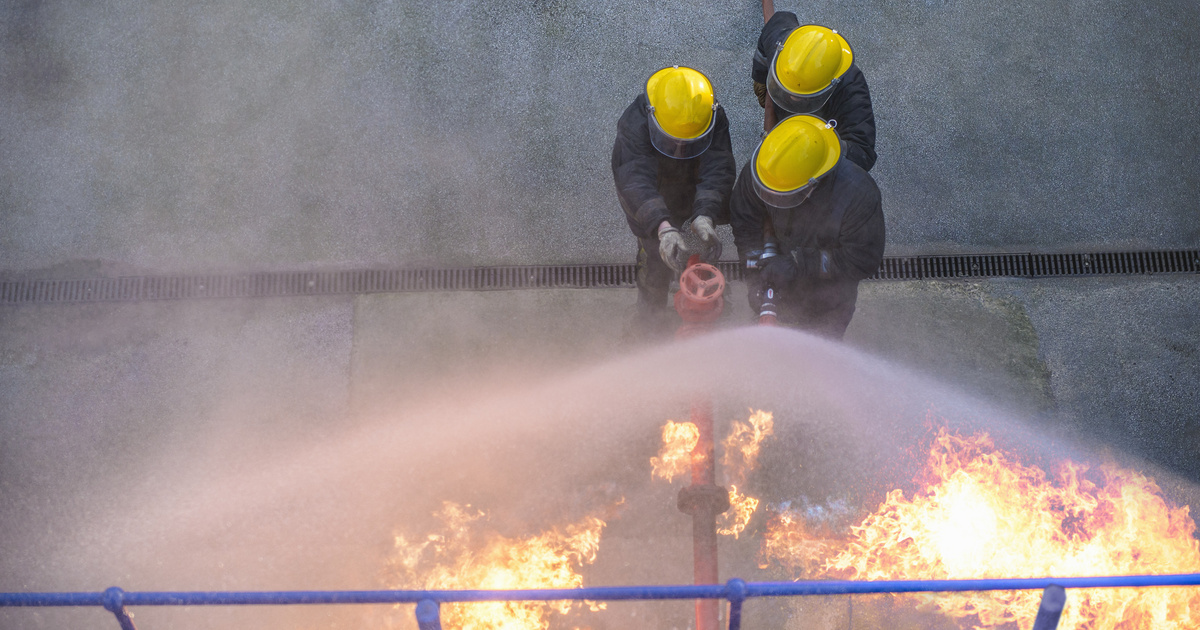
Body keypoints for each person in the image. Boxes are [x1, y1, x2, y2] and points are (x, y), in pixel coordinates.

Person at [730, 114, 884, 339]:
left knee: (818, 356)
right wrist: (755, 274)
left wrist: (799, 264)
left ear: (813, 184)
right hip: (777, 284)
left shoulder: (859, 195)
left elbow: (862, 259)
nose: (775, 200)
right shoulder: (766, 170)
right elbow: (745, 224)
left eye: (784, 195)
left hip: (828, 301)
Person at [612, 66, 736, 337]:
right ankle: (650, 321)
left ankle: (707, 313)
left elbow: (718, 167)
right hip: (653, 196)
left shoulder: (711, 115)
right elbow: (634, 180)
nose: (681, 150)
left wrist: (706, 214)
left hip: (695, 193)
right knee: (654, 262)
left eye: (689, 143)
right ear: (653, 118)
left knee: (703, 259)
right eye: (674, 142)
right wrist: (662, 227)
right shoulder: (635, 122)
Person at [753, 14, 876, 172]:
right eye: (787, 89)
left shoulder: (851, 87)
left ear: (829, 86)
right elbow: (778, 20)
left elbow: (862, 153)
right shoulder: (780, 40)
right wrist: (761, 78)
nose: (791, 98)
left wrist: (818, 147)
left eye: (801, 95)